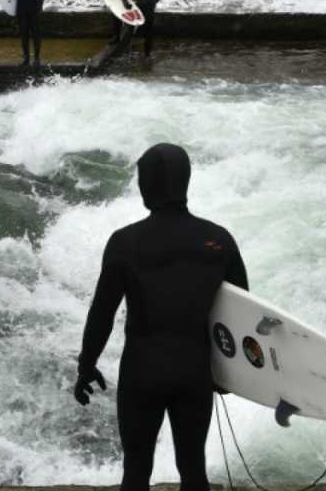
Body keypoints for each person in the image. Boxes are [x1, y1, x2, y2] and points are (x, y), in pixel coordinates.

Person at [73, 143, 248, 491]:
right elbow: (240, 313)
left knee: (136, 472)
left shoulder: (124, 242)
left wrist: (86, 364)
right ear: (185, 181)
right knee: (194, 470)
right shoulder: (218, 239)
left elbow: (102, 314)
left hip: (142, 371)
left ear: (146, 184)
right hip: (195, 372)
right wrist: (230, 374)